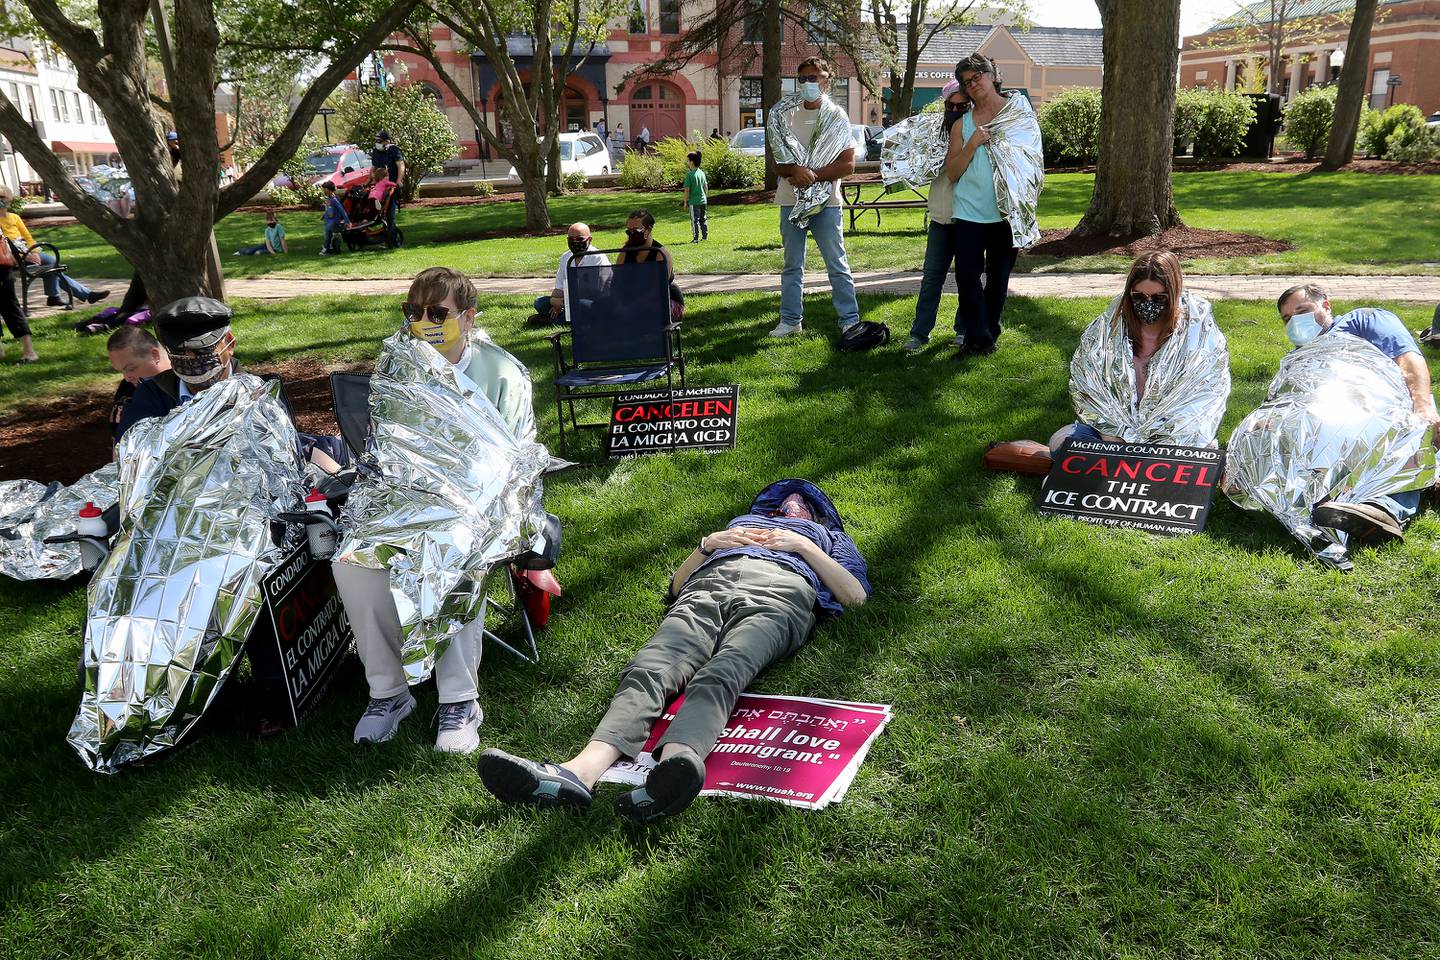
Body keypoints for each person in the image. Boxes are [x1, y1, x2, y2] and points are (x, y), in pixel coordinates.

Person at [477, 479, 870, 822]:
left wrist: (803, 545)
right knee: (650, 668)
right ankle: (577, 773)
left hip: (779, 594)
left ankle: (675, 768)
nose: (790, 506)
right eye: (784, 502)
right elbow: (677, 588)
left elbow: (854, 597)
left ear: (818, 518)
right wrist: (707, 546)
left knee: (724, 670)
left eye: (804, 505)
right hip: (707, 588)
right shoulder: (740, 525)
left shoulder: (828, 539)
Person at [333, 267, 498, 754]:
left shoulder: (500, 371)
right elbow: (384, 449)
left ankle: (459, 700)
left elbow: (518, 455)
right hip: (405, 499)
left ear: (467, 318)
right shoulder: (397, 367)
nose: (423, 321)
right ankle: (388, 693)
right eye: (413, 312)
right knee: (351, 563)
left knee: (451, 553)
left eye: (436, 312)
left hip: (483, 504)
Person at [1275, 282, 1436, 541]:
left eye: (1302, 310)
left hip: (1384, 408)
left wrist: (1424, 406)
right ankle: (1331, 502)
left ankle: (1384, 511)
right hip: (1332, 421)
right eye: (1287, 319)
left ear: (1326, 305)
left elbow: (1408, 358)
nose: (1295, 321)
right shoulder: (1298, 358)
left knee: (1395, 432)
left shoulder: (1364, 320)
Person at [114, 297, 347, 473]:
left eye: (202, 351)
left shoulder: (259, 392)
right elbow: (129, 457)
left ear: (229, 344)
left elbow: (284, 450)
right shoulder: (153, 394)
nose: (192, 361)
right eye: (180, 353)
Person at [1049, 250, 1229, 451]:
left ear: (1174, 294)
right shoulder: (1108, 331)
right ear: (1129, 294)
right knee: (1061, 442)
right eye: (1139, 297)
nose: (1148, 304)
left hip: (1174, 438)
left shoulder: (1198, 338)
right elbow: (1090, 388)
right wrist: (1112, 437)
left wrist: (1158, 443)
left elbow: (1202, 401)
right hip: (1111, 436)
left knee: (1198, 457)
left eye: (1159, 298)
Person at [942, 54, 1041, 359]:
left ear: (991, 75)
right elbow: (953, 172)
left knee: (998, 278)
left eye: (977, 77)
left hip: (1005, 213)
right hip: (969, 210)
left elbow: (1032, 161)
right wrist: (972, 144)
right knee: (967, 277)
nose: (973, 85)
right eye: (967, 82)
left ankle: (986, 335)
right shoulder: (962, 124)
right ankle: (978, 338)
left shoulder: (1018, 114)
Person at [768, 56, 860, 338]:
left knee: (837, 262)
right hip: (790, 199)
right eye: (804, 78)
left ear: (826, 80)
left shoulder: (837, 116)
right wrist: (793, 171)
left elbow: (848, 163)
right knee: (792, 265)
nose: (809, 83)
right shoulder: (784, 114)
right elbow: (775, 159)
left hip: (827, 202)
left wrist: (812, 176)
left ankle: (849, 318)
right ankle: (790, 320)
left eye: (815, 77)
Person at [903, 79, 969, 354]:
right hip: (940, 220)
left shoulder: (975, 131)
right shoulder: (933, 134)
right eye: (950, 105)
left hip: (968, 219)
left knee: (969, 278)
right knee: (931, 278)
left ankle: (965, 330)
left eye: (961, 105)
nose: (954, 109)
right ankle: (920, 333)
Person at [0, 184, 109, 308]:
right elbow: (3, 247)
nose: (0, 200)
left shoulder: (14, 218)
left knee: (52, 263)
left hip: (27, 253)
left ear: (9, 199)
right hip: (9, 260)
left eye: (2, 197)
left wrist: (34, 252)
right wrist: (24, 257)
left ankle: (58, 297)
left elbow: (28, 238)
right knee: (52, 267)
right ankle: (62, 296)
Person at [532, 222, 610, 324]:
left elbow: (597, 291)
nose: (575, 242)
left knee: (581, 305)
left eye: (579, 239)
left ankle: (551, 320)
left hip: (593, 302)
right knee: (539, 303)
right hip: (568, 301)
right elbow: (559, 288)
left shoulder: (598, 258)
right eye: (571, 239)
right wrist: (554, 302)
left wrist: (566, 302)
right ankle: (564, 318)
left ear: (589, 240)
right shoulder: (566, 257)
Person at [615, 209, 684, 322]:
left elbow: (657, 290)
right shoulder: (624, 253)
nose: (632, 234)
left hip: (664, 301)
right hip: (632, 301)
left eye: (637, 230)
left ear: (649, 230)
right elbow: (616, 283)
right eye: (629, 231)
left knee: (644, 310)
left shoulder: (661, 254)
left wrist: (631, 306)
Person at [106, 326, 169, 445]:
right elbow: (119, 449)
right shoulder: (128, 392)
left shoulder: (188, 384)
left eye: (130, 369)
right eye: (121, 371)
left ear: (155, 355)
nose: (126, 377)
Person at [370, 129, 405, 233]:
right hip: (380, 186)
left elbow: (401, 166)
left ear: (387, 141)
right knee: (379, 214)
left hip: (391, 187)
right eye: (377, 141)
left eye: (380, 141)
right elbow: (374, 167)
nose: (378, 143)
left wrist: (398, 181)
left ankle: (392, 236)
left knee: (390, 214)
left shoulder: (394, 150)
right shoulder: (376, 152)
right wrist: (369, 180)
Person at [682, 151, 708, 243]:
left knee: (695, 220)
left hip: (694, 201)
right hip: (703, 201)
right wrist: (705, 197)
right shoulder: (702, 173)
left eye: (688, 161)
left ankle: (695, 238)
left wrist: (685, 202)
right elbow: (705, 187)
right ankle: (705, 236)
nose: (687, 163)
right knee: (703, 218)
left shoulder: (689, 174)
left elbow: (687, 190)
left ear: (692, 162)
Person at [320, 181, 350, 255]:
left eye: (324, 189)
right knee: (327, 233)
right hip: (328, 221)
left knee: (327, 233)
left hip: (333, 221)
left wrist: (347, 221)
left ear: (328, 190)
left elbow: (342, 210)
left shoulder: (334, 200)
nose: (323, 191)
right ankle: (328, 247)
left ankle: (326, 248)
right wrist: (324, 215)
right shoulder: (328, 199)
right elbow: (328, 208)